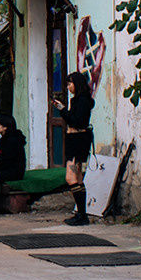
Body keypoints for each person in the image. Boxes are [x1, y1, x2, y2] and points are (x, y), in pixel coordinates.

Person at [56, 71, 94, 225]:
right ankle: (81, 213)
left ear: (76, 84)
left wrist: (63, 110)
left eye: (70, 84)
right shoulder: (78, 100)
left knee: (71, 178)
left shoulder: (83, 101)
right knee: (78, 178)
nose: (68, 87)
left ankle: (82, 214)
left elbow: (76, 121)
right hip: (75, 139)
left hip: (78, 140)